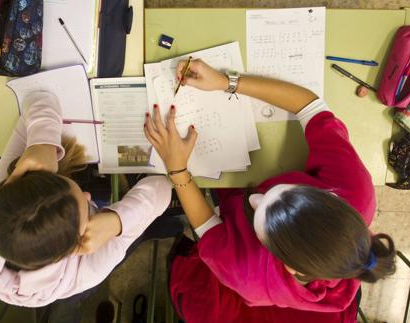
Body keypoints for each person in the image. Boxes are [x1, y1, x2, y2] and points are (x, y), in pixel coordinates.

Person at [143, 59, 396, 322]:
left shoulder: (246, 273)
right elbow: (310, 106)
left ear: (288, 265)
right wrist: (225, 82)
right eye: (286, 191)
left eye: (259, 215)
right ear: (328, 197)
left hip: (225, 193)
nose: (253, 196)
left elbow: (207, 225)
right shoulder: (356, 193)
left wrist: (177, 168)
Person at [0, 91, 174, 308]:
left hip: (5, 250)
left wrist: (42, 145)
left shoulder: (2, 205)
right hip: (72, 272)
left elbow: (39, 99)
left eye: (73, 188)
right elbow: (162, 188)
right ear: (78, 243)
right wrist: (117, 222)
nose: (87, 196)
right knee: (141, 220)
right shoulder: (90, 269)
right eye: (86, 206)